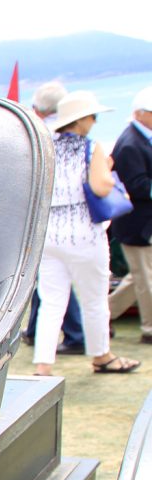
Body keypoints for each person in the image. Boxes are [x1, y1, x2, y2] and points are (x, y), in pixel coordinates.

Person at [33, 91, 138, 376]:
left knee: (51, 302)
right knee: (94, 299)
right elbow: (102, 187)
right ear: (81, 121)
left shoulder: (46, 148)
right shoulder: (91, 148)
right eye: (92, 116)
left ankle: (43, 365)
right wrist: (105, 168)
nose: (94, 121)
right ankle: (101, 355)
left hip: (50, 233)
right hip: (84, 233)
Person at [22, 81, 85, 352]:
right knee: (49, 280)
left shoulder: (37, 137)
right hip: (62, 219)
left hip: (44, 219)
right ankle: (42, 330)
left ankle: (74, 333)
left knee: (51, 281)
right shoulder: (67, 138)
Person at [111, 86, 152, 344]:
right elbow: (136, 185)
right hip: (136, 222)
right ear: (139, 114)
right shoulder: (130, 143)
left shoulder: (141, 139)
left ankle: (106, 312)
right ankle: (150, 328)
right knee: (145, 278)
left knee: (139, 275)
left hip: (142, 221)